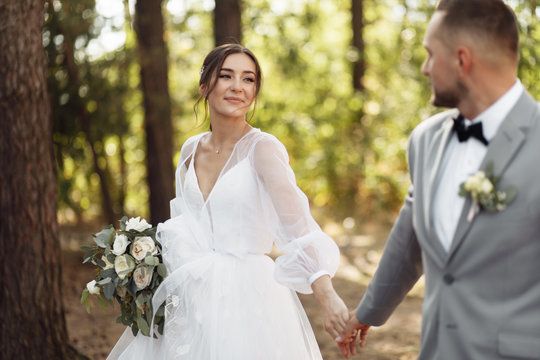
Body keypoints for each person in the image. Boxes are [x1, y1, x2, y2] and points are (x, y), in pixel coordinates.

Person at [107, 43, 350, 359]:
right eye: (227, 76)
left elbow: (298, 227)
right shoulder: (190, 150)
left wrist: (327, 296)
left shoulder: (263, 149)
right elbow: (186, 223)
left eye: (249, 79)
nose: (238, 87)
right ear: (205, 85)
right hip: (193, 296)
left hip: (249, 298)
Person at [334, 0, 540, 359]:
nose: (425, 68)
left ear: (462, 60)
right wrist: (367, 312)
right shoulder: (425, 141)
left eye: (431, 54)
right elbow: (410, 236)